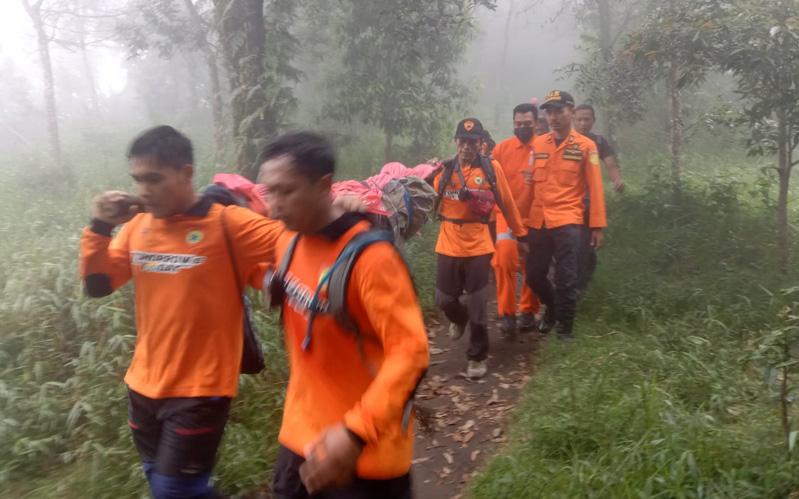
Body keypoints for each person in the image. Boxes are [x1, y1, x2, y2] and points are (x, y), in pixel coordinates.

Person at [79, 125, 362, 499]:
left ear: (186, 173)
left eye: (154, 179)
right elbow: (98, 285)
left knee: (173, 491)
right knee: (161, 481)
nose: (143, 190)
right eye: (138, 180)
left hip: (201, 388)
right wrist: (99, 225)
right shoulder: (136, 227)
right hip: (142, 386)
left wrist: (340, 211)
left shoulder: (227, 225)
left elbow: (300, 238)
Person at [258, 132, 429, 499]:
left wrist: (355, 433)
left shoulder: (372, 259)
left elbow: (411, 354)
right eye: (268, 192)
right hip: (299, 437)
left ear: (324, 185)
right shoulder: (287, 238)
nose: (273, 206)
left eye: (285, 192)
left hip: (365, 453)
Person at [432, 118, 526, 378]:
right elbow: (427, 199)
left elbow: (507, 203)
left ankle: (477, 356)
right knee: (444, 298)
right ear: (455, 142)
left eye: (472, 142)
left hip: (478, 242)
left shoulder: (491, 169)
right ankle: (458, 319)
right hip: (448, 239)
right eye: (462, 141)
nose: (467, 147)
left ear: (480, 143)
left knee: (476, 302)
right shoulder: (444, 169)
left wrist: (520, 235)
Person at [520, 91, 607, 341]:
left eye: (559, 111)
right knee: (534, 274)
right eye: (549, 112)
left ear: (571, 110)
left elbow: (596, 188)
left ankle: (565, 332)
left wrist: (597, 226)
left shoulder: (586, 146)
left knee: (566, 277)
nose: (554, 117)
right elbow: (529, 186)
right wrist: (519, 222)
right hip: (539, 219)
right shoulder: (538, 144)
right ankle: (553, 308)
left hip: (569, 219)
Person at [490, 103, 542, 339]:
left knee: (532, 265)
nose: (522, 127)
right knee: (504, 257)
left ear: (536, 123)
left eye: (527, 124)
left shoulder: (543, 148)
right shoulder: (501, 150)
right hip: (507, 217)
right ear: (513, 124)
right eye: (518, 124)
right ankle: (507, 314)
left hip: (535, 217)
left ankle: (528, 311)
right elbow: (487, 178)